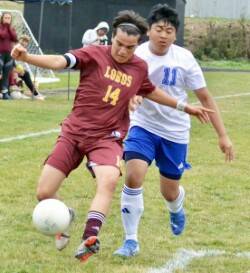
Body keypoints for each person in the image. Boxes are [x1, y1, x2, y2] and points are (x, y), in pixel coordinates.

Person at [11, 9, 212, 262]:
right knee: (44, 193)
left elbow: (150, 90)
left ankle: (90, 238)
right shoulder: (93, 54)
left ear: (136, 45)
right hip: (74, 133)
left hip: (107, 137)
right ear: (112, 39)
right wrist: (27, 57)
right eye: (119, 44)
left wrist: (185, 107)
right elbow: (59, 62)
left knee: (108, 180)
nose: (123, 51)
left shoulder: (139, 66)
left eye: (130, 47)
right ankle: (65, 218)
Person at [113, 4, 234, 257]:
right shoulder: (138, 55)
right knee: (134, 175)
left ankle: (176, 207)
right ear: (149, 31)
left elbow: (205, 98)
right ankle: (131, 241)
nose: (163, 35)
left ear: (175, 34)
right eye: (159, 29)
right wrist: (131, 99)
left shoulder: (184, 59)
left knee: (169, 190)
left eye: (169, 30)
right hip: (142, 125)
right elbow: (125, 85)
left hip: (175, 131)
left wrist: (222, 136)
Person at [10, 35, 45, 100]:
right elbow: (8, 63)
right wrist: (16, 71)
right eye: (23, 41)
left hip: (12, 69)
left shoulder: (19, 49)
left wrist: (19, 70)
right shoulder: (12, 48)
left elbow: (13, 63)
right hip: (6, 71)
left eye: (26, 42)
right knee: (23, 74)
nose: (25, 43)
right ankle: (33, 94)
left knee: (25, 73)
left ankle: (35, 93)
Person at [0, 12, 18, 100]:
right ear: (2, 18)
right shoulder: (0, 27)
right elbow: (2, 35)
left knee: (6, 75)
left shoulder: (12, 29)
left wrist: (9, 28)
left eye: (9, 18)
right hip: (0, 54)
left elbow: (15, 38)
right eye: (6, 17)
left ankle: (5, 93)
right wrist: (6, 26)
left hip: (9, 55)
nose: (7, 19)